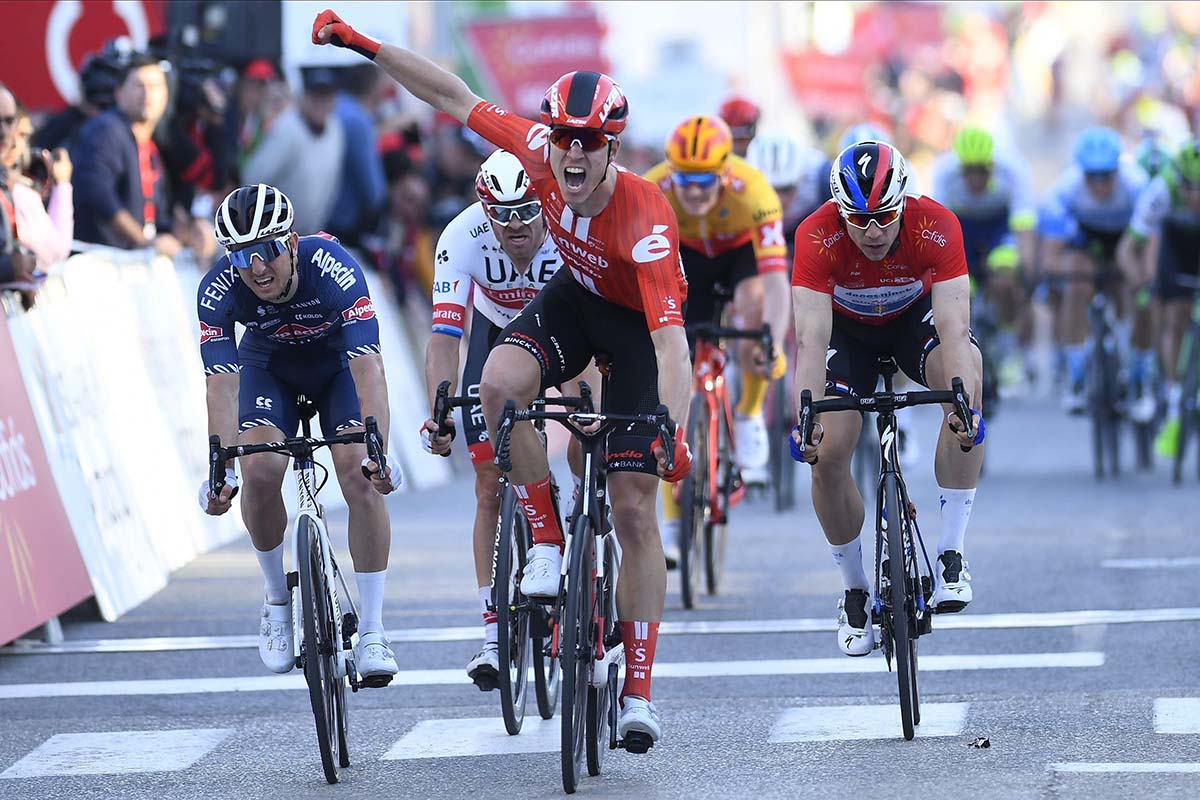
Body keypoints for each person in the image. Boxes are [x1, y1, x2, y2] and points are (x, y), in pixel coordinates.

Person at [312, 9, 692, 747]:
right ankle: (546, 539)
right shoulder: (539, 150)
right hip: (574, 302)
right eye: (564, 139)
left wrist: (668, 429)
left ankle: (639, 691)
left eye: (589, 143)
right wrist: (360, 43)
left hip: (637, 329)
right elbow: (449, 94)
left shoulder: (646, 216)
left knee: (634, 506)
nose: (572, 157)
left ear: (611, 148)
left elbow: (671, 345)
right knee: (496, 384)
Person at [196, 183, 401, 684]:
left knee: (358, 473)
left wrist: (379, 453)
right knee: (261, 468)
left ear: (290, 242)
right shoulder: (217, 288)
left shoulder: (333, 267)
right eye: (243, 256)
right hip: (270, 368)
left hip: (337, 366)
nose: (257, 268)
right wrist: (219, 468)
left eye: (266, 250)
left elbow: (369, 368)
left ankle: (372, 630)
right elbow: (222, 386)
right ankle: (275, 598)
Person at [790, 140, 985, 657]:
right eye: (858, 218)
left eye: (884, 217)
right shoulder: (816, 234)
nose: (872, 231)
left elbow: (953, 326)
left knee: (967, 381)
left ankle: (951, 553)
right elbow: (810, 340)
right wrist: (804, 414)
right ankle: (854, 588)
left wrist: (961, 402)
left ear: (904, 202)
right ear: (838, 209)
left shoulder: (936, 225)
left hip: (911, 326)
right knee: (828, 452)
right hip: (845, 337)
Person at [422, 149, 593, 689]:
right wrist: (439, 411)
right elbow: (446, 335)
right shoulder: (459, 237)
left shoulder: (572, 225)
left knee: (592, 439)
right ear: (484, 210)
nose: (515, 224)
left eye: (526, 210)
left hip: (570, 332)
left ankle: (587, 567)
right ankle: (495, 634)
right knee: (489, 485)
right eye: (502, 214)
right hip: (498, 338)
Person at [643, 116, 789, 562]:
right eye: (683, 177)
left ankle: (745, 417)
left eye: (703, 178)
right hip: (685, 261)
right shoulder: (653, 188)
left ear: (726, 170)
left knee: (754, 307)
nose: (692, 190)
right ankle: (671, 524)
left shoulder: (755, 189)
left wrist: (774, 340)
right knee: (675, 392)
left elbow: (776, 279)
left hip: (738, 258)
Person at [1038, 126, 1146, 414]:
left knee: (1127, 286)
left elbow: (1146, 242)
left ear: (1117, 171)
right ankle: (1076, 372)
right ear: (1081, 172)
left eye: (1106, 176)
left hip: (1124, 238)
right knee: (1075, 285)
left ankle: (1128, 358)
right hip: (1086, 240)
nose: (1099, 185)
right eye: (1091, 177)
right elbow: (1053, 248)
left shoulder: (1137, 185)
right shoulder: (1065, 188)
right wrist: (1052, 276)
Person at [930, 126, 1038, 392]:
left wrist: (1028, 274)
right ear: (960, 167)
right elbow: (936, 232)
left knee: (1005, 279)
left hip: (998, 229)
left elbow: (1023, 231)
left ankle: (1008, 346)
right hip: (962, 229)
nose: (976, 179)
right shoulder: (944, 173)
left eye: (983, 171)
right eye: (970, 171)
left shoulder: (1013, 172)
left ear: (992, 165)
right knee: (959, 290)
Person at [1120, 140, 1200, 456]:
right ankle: (1174, 389)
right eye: (1189, 187)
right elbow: (1130, 248)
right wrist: (1143, 286)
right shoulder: (1161, 189)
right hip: (1174, 249)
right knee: (1173, 315)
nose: (1195, 195)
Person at [71, 53, 181, 254]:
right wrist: (142, 240)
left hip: (131, 264)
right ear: (119, 93)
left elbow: (159, 213)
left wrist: (188, 233)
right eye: (139, 85)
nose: (147, 94)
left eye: (155, 86)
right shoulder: (106, 129)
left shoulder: (150, 144)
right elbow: (97, 192)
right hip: (100, 264)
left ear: (166, 95)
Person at [242, 68, 345, 235]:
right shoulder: (287, 128)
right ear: (303, 98)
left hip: (310, 233)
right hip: (274, 234)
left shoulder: (335, 130)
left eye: (327, 97)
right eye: (316, 96)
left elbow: (331, 186)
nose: (321, 102)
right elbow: (253, 178)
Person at [327, 63, 388, 246]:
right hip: (342, 223)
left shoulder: (336, 106)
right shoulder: (357, 120)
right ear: (373, 87)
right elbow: (373, 191)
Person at [5, 104, 74, 268]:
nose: (16, 144)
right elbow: (55, 251)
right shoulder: (19, 193)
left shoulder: (20, 189)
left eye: (24, 137)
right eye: (20, 135)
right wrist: (62, 184)